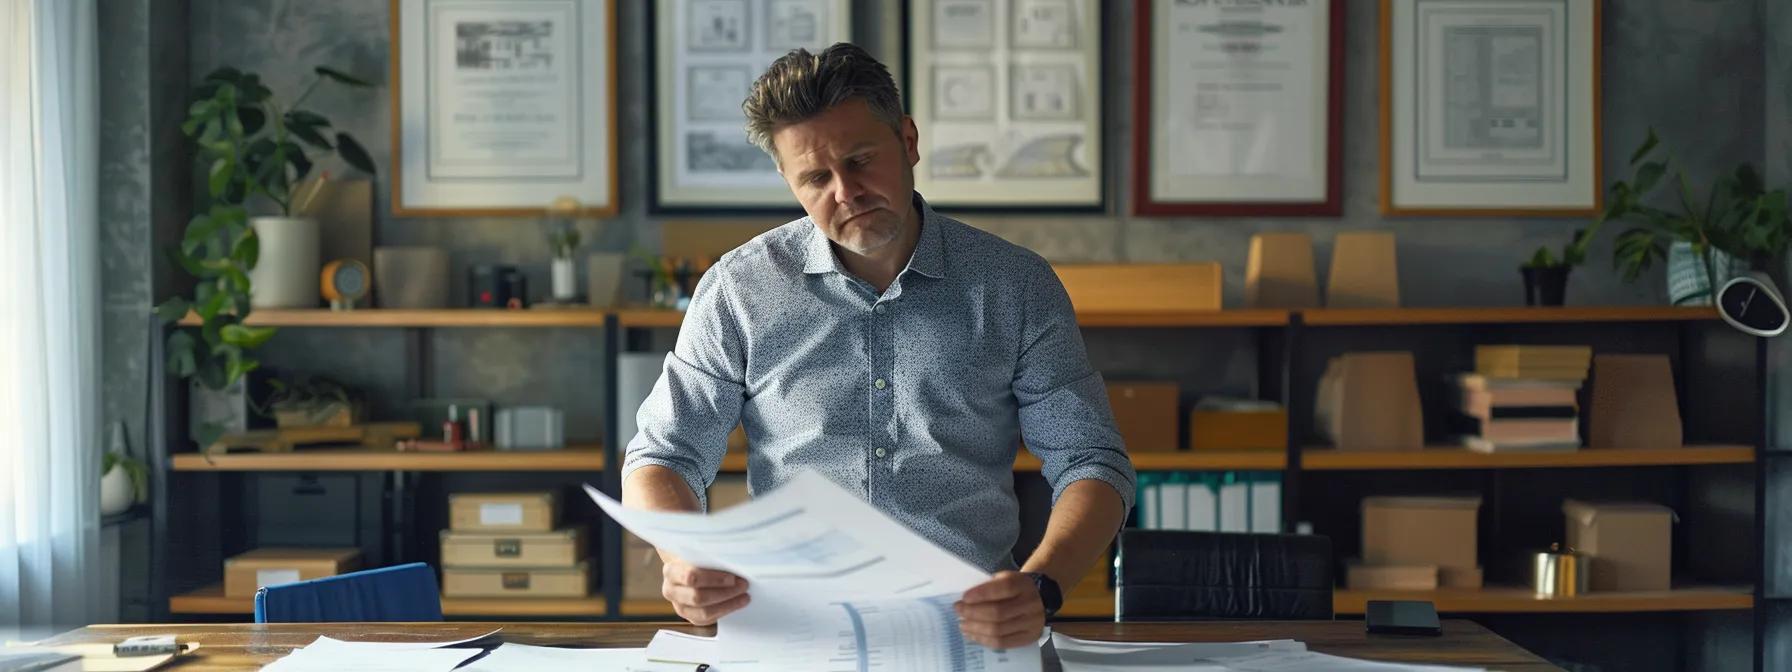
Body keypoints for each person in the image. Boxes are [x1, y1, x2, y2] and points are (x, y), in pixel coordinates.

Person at [621, 42, 1135, 651]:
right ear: (788, 181)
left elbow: (1091, 460)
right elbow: (663, 455)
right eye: (816, 177)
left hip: (969, 630)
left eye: (861, 160)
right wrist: (685, 561)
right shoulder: (739, 288)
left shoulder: (1014, 285)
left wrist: (1043, 586)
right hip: (790, 631)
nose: (846, 192)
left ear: (909, 141)